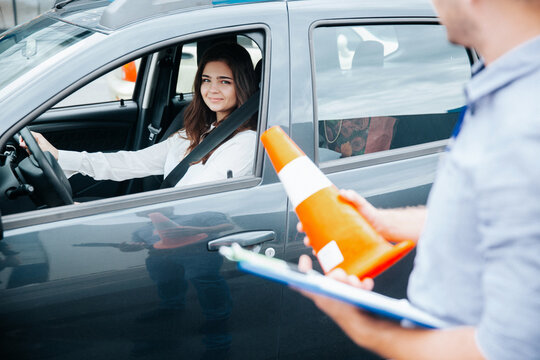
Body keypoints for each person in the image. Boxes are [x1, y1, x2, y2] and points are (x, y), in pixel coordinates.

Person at [297, 0, 540, 359]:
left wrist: (368, 329)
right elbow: (486, 216)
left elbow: (507, 351)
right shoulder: (502, 90)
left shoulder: (525, 121)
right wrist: (381, 223)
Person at [24, 42, 258, 188]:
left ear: (242, 85)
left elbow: (196, 201)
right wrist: (58, 155)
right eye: (206, 80)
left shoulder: (244, 143)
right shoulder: (195, 132)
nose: (212, 89)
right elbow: (132, 162)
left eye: (224, 81)